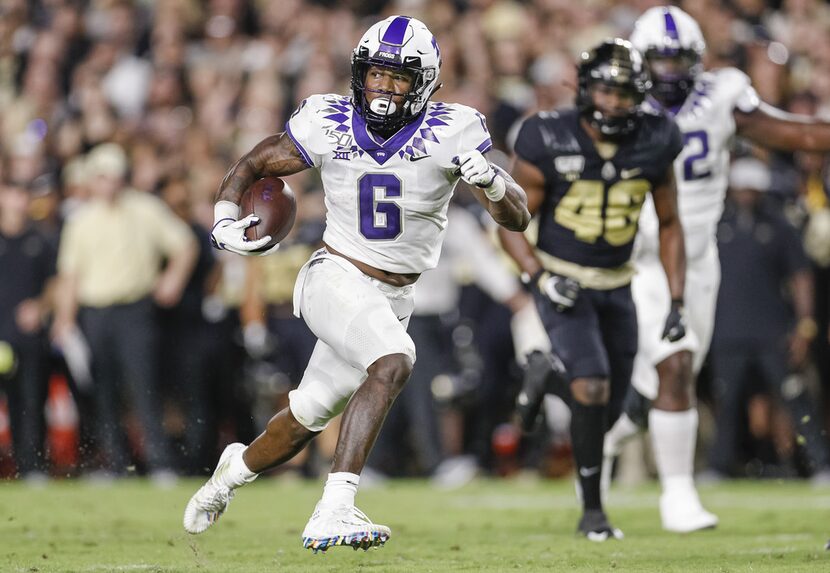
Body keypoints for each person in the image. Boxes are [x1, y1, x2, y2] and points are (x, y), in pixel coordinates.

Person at [183, 15, 530, 552]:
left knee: (305, 417)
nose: (383, 88)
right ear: (358, 74)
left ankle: (231, 473)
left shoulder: (455, 129)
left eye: (398, 78)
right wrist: (226, 216)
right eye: (375, 75)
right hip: (335, 277)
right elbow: (254, 162)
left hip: (395, 296)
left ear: (426, 83)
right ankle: (334, 508)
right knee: (394, 362)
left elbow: (518, 218)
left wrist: (491, 182)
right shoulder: (329, 121)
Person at [602, 5, 830, 533]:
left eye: (680, 60)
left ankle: (605, 439)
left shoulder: (723, 95)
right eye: (659, 60)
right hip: (640, 258)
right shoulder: (616, 104)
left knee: (659, 384)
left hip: (700, 259)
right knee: (675, 364)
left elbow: (794, 134)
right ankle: (678, 496)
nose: (670, 73)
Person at [499, 38, 687, 541]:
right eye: (605, 90)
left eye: (624, 93)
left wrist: (678, 297)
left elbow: (670, 222)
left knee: (607, 410)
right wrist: (539, 277)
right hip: (563, 278)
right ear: (584, 89)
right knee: (594, 385)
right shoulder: (547, 136)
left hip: (618, 282)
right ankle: (593, 514)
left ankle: (546, 376)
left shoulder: (656, 138)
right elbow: (510, 222)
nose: (613, 103)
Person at [52, 143, 197, 482]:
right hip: (95, 313)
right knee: (103, 391)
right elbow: (70, 275)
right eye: (103, 177)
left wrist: (172, 279)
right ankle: (115, 463)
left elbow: (185, 244)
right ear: (92, 180)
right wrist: (64, 319)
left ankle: (159, 463)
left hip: (135, 310)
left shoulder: (145, 209)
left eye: (115, 176)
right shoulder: (81, 220)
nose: (110, 184)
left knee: (144, 386)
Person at [708, 158, 830, 480]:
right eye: (742, 189)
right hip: (727, 329)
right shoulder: (717, 224)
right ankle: (719, 466)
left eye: (753, 189)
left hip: (772, 330)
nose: (747, 195)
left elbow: (801, 277)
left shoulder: (779, 225)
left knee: (796, 399)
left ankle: (819, 464)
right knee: (727, 401)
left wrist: (805, 325)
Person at [0, 178, 56, 483]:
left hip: (30, 339)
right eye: (13, 192)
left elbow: (54, 282)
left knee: (32, 404)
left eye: (23, 194)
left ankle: (32, 467)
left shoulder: (41, 239)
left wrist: (41, 306)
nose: (19, 200)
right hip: (1, 335)